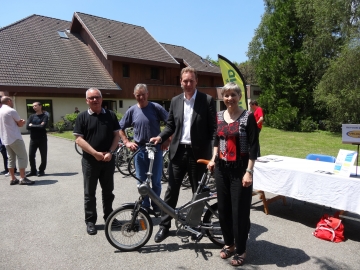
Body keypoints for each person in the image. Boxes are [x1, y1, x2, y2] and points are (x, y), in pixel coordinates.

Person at [150, 67, 216, 243]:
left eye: (191, 81)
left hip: (199, 154)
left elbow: (213, 130)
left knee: (198, 192)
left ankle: (194, 226)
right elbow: (170, 125)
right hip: (178, 152)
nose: (188, 84)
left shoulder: (207, 100)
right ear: (181, 82)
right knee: (171, 191)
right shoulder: (175, 101)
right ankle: (164, 226)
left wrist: (213, 154)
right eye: (185, 81)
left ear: (196, 82)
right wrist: (160, 136)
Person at [207, 82, 259, 267]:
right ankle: (229, 243)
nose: (229, 99)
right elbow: (216, 139)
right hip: (222, 169)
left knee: (239, 211)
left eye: (233, 95)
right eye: (226, 95)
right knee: (224, 210)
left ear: (239, 97)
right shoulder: (219, 116)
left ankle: (241, 249)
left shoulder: (248, 117)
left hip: (240, 169)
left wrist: (249, 172)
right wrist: (213, 158)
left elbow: (254, 147)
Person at [73, 88, 121, 235]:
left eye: (97, 97)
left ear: (101, 99)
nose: (95, 100)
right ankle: (91, 221)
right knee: (90, 193)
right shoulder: (82, 117)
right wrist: (95, 154)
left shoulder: (111, 115)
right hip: (90, 161)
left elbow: (116, 135)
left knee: (108, 191)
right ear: (87, 100)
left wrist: (111, 153)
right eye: (91, 98)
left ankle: (109, 217)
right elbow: (78, 139)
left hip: (107, 160)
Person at [119, 84, 170, 215]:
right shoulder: (132, 111)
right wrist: (126, 142)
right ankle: (145, 205)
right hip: (139, 150)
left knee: (156, 181)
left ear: (147, 94)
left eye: (143, 94)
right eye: (138, 95)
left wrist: (167, 139)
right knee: (141, 181)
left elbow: (172, 123)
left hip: (156, 149)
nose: (141, 97)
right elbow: (119, 128)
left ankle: (157, 205)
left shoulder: (155, 107)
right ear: (134, 95)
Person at [0, 96, 34, 185]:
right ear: (9, 101)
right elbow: (20, 124)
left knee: (10, 159)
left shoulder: (0, 111)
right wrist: (22, 122)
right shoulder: (11, 111)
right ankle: (22, 178)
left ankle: (13, 178)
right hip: (14, 137)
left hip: (5, 139)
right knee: (22, 157)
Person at [26, 102, 48, 177]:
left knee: (43, 155)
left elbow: (43, 127)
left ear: (40, 106)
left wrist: (32, 125)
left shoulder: (45, 116)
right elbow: (27, 127)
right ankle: (33, 171)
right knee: (31, 155)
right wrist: (38, 125)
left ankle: (41, 170)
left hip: (42, 139)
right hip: (33, 139)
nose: (34, 107)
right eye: (33, 106)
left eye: (35, 106)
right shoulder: (31, 116)